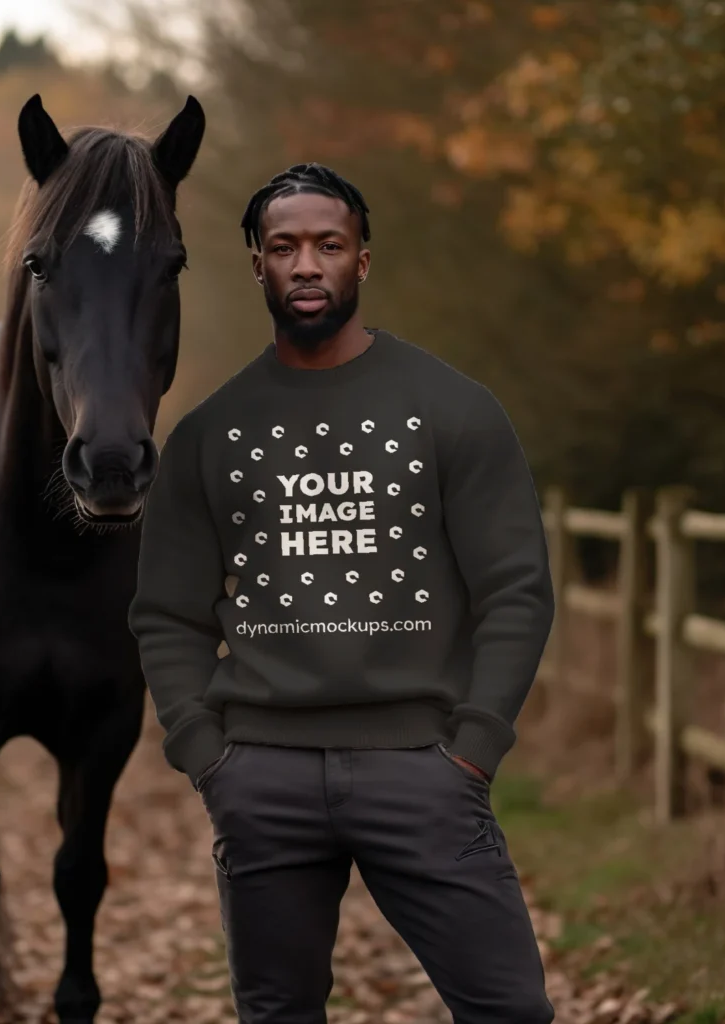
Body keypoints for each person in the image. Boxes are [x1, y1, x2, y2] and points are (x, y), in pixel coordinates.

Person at [129, 163, 556, 1024]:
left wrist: (474, 748)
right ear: (256, 264)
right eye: (284, 248)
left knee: (512, 1012)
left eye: (330, 245)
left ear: (364, 260)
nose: (308, 265)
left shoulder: (453, 409)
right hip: (262, 779)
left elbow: (515, 589)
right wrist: (207, 755)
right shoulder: (212, 434)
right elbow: (167, 615)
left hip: (424, 772)